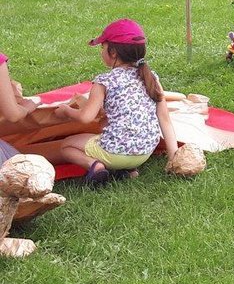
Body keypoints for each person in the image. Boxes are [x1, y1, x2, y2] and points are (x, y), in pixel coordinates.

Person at [50, 19, 177, 186]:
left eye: (102, 47)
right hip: (144, 152)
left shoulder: (104, 81)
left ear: (113, 52)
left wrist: (65, 110)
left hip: (115, 153)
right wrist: (174, 157)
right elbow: (164, 119)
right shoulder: (150, 78)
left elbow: (85, 117)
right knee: (107, 124)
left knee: (67, 146)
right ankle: (127, 170)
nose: (101, 51)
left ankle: (95, 166)